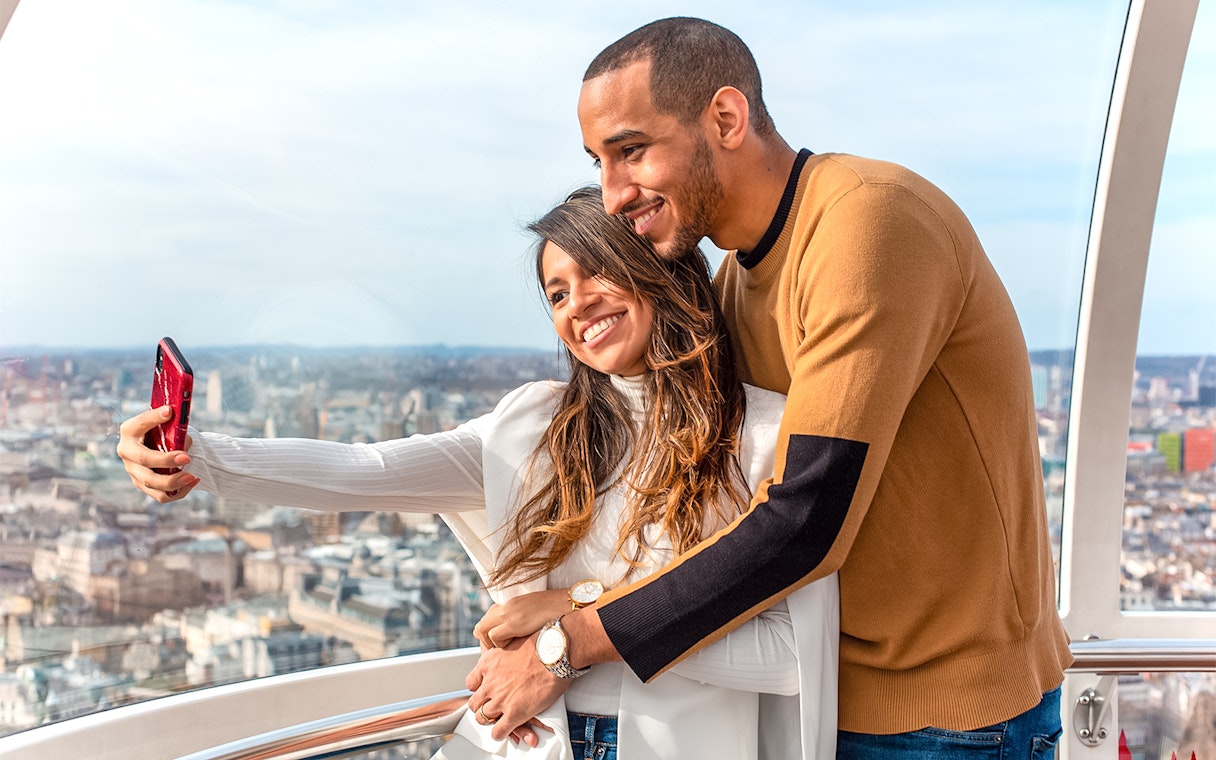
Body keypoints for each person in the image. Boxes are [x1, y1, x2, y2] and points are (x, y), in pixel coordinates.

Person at [466, 17, 1073, 758]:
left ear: (726, 118)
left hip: (949, 720)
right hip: (820, 703)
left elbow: (802, 518)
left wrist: (567, 643)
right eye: (598, 161)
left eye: (631, 152)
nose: (613, 194)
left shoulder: (868, 224)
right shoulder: (736, 284)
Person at [117, 186, 839, 760]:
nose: (577, 302)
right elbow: (365, 472)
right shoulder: (531, 428)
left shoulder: (768, 437)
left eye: (598, 270)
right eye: (556, 292)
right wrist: (196, 458)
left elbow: (789, 661)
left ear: (659, 271)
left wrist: (571, 617)